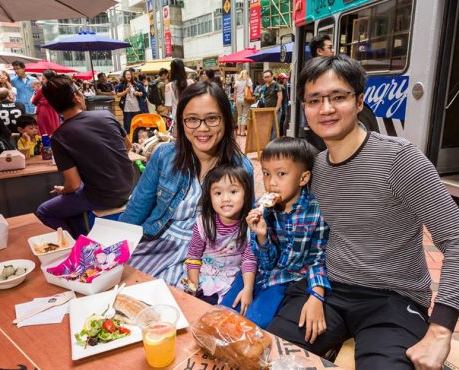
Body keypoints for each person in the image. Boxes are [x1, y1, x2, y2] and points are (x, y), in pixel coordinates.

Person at [268, 55, 459, 369]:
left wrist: (440, 329)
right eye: (314, 100)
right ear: (304, 107)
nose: (326, 109)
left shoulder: (399, 159)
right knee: (265, 356)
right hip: (326, 290)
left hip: (393, 298)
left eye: (338, 97)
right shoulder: (314, 166)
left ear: (359, 101)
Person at [120, 81, 254, 286]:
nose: (202, 128)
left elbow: (246, 229)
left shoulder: (241, 167)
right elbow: (136, 210)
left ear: (226, 120)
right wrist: (113, 250)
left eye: (212, 118)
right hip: (156, 242)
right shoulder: (164, 155)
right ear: (181, 122)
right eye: (192, 119)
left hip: (211, 254)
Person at [222, 137, 330, 330]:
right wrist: (261, 236)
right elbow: (264, 262)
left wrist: (317, 293)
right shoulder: (262, 210)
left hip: (287, 279)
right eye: (266, 173)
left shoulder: (315, 212)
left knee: (253, 326)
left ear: (303, 178)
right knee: (222, 314)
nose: (271, 183)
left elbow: (317, 259)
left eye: (281, 174)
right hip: (259, 273)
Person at [36, 75, 134, 238]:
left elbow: (73, 185)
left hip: (103, 196)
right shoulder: (106, 115)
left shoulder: (59, 136)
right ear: (76, 96)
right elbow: (128, 146)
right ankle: (82, 235)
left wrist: (63, 190)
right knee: (77, 199)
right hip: (127, 186)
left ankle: (74, 245)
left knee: (44, 211)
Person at [181, 165, 256, 306]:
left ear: (246, 194)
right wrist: (193, 286)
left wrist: (248, 289)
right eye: (218, 193)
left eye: (233, 191)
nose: (225, 199)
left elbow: (249, 260)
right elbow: (194, 256)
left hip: (230, 279)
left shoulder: (249, 225)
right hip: (203, 275)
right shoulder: (204, 223)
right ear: (209, 196)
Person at [116, 69, 147, 134]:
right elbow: (118, 94)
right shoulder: (121, 85)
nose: (128, 76)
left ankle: (138, 137)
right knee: (127, 125)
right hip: (127, 108)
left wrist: (139, 93)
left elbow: (143, 94)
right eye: (127, 74)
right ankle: (129, 140)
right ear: (124, 76)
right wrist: (125, 91)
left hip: (136, 107)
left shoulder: (137, 84)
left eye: (129, 74)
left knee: (137, 124)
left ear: (132, 75)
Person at [165, 59, 195, 125]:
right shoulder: (191, 82)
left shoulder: (169, 86)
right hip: (192, 113)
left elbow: (169, 106)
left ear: (172, 70)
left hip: (176, 116)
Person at [31, 70, 60, 136]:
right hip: (54, 110)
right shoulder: (57, 88)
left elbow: (34, 102)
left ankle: (46, 145)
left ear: (48, 79)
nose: (42, 80)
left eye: (43, 79)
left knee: (44, 130)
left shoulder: (41, 89)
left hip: (43, 111)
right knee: (54, 127)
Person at [233, 70, 253, 136]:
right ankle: (242, 132)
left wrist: (234, 101)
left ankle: (238, 131)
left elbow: (235, 93)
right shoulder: (248, 80)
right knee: (244, 115)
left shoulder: (237, 81)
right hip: (245, 99)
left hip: (238, 99)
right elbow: (251, 91)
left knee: (239, 115)